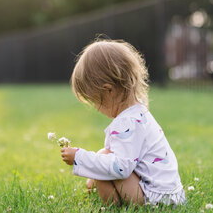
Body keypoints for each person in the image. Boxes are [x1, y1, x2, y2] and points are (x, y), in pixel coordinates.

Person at [60, 39, 185, 207]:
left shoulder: (127, 122)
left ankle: (113, 208)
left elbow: (121, 168)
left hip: (156, 199)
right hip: (169, 195)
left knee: (104, 166)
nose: (96, 108)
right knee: (105, 155)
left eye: (95, 101)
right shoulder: (138, 112)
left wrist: (79, 158)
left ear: (108, 90)